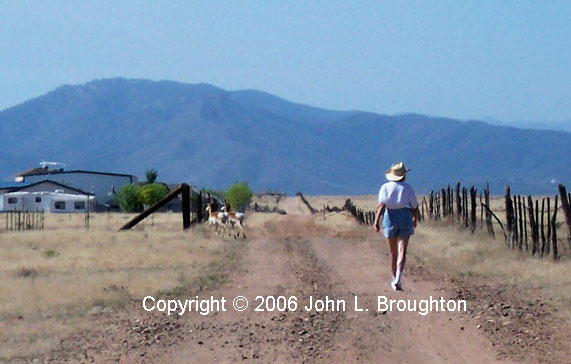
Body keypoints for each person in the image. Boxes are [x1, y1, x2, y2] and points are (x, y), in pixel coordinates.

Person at [373, 162, 420, 291]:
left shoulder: (385, 188)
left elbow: (381, 205)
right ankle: (398, 277)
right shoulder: (408, 188)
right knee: (402, 250)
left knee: (393, 252)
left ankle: (395, 278)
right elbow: (414, 206)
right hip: (405, 217)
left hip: (390, 217)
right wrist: (415, 219)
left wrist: (376, 221)